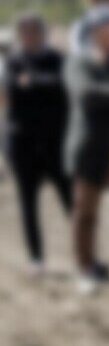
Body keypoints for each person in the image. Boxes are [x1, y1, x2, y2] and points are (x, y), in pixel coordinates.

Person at [64, 5, 109, 295]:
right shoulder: (79, 61)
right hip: (90, 146)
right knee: (85, 210)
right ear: (92, 33)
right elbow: (86, 94)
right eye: (104, 31)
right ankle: (85, 265)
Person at [4, 14, 72, 273]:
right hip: (23, 145)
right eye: (25, 30)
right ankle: (36, 257)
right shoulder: (13, 60)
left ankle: (84, 254)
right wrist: (39, 85)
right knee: (28, 203)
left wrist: (32, 82)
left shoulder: (58, 59)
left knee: (69, 200)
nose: (31, 35)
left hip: (56, 143)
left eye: (35, 30)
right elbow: (14, 90)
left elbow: (62, 88)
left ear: (44, 32)